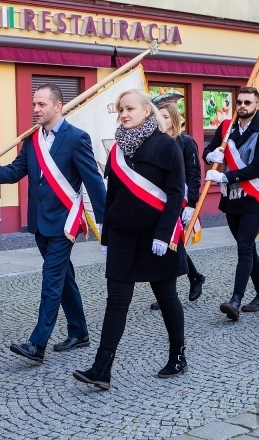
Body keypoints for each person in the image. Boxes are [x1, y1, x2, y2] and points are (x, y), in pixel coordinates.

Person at [0, 84, 106, 364]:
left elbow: (93, 181)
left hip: (64, 224)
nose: (35, 109)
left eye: (41, 104)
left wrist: (105, 225)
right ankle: (79, 332)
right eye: (34, 104)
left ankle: (37, 344)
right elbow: (17, 171)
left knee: (51, 280)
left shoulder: (77, 138)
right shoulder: (32, 140)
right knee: (64, 278)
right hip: (39, 222)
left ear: (57, 106)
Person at [73, 90, 187, 390]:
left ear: (147, 111)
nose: (124, 114)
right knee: (116, 302)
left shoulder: (166, 145)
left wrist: (165, 234)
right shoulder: (117, 150)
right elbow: (112, 197)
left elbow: (176, 194)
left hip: (156, 239)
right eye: (120, 109)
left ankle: (178, 355)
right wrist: (106, 236)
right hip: (123, 237)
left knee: (166, 298)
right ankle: (102, 368)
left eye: (130, 109)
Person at [202, 87, 259, 320]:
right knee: (248, 247)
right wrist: (209, 157)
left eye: (247, 102)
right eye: (240, 102)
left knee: (244, 246)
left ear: (256, 105)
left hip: (253, 196)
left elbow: (257, 167)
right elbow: (210, 150)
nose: (242, 106)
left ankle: (236, 299)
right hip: (231, 199)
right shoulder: (226, 127)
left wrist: (226, 177)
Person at [149, 101, 205, 307]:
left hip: (179, 200)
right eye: (158, 116)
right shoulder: (155, 141)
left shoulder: (185, 141)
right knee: (166, 244)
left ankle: (175, 289)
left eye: (165, 116)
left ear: (174, 119)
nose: (161, 120)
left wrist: (192, 204)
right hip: (157, 200)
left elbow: (193, 174)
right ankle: (192, 278)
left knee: (173, 243)